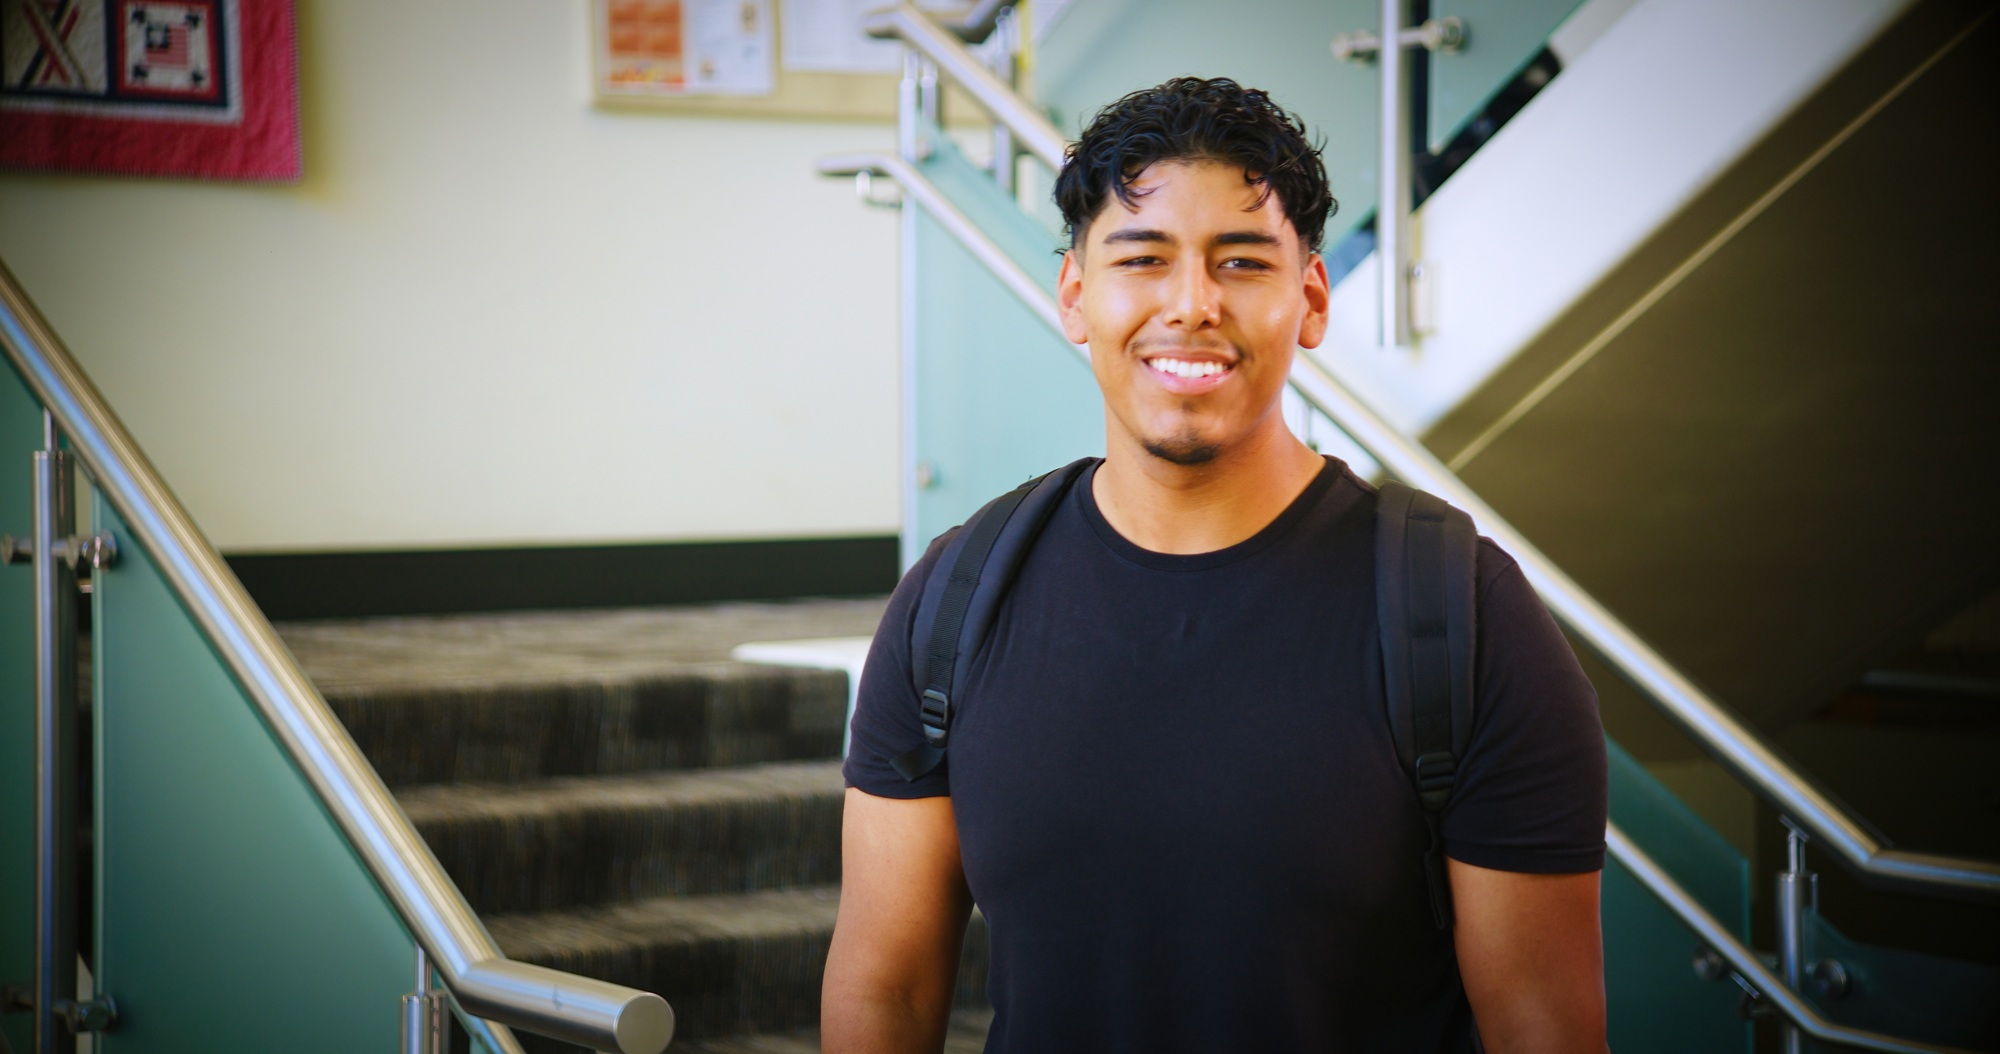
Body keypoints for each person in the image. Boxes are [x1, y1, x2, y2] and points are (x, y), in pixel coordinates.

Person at [823, 76, 1609, 1054]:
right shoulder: (954, 598)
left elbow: (1542, 1029)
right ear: (1075, 295)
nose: (1190, 305)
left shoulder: (1457, 611)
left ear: (1310, 300)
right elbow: (883, 992)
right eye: (1141, 258)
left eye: (1240, 262)